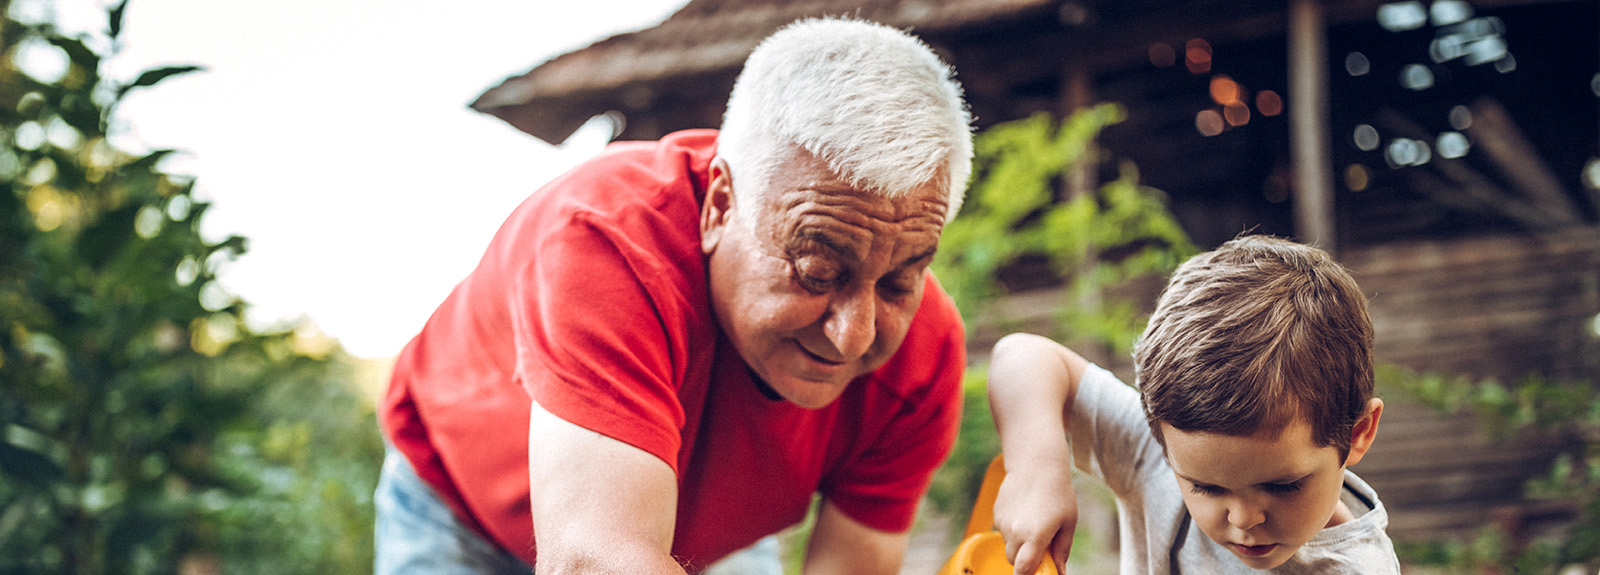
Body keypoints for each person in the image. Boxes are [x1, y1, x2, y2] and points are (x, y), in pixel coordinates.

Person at [374, 17, 975, 575]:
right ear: (720, 207)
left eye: (898, 282)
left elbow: (852, 565)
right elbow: (595, 558)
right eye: (817, 272)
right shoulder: (605, 241)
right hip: (461, 513)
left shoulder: (923, 353)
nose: (855, 333)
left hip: (704, 540)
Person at [986, 236, 1401, 574]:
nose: (1242, 519)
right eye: (1205, 487)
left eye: (1282, 486)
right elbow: (1022, 357)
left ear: (1358, 432)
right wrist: (1036, 470)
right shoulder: (1155, 455)